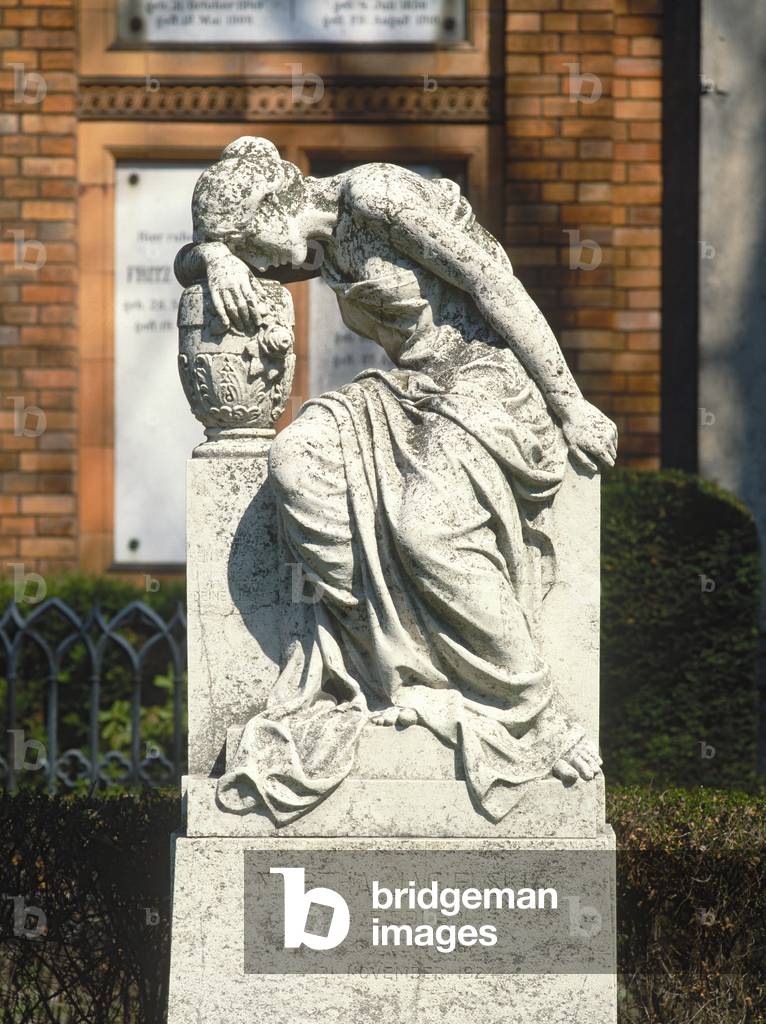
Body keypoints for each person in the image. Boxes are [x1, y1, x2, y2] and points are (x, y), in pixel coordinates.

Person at [175, 136, 618, 824]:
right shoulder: (309, 241)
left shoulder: (376, 197)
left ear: (271, 210)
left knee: (425, 527)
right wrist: (213, 255)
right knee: (298, 464)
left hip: (485, 380)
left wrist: (571, 405)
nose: (262, 271)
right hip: (408, 389)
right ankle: (394, 671)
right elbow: (187, 261)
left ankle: (533, 711)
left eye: (252, 250)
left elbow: (493, 280)